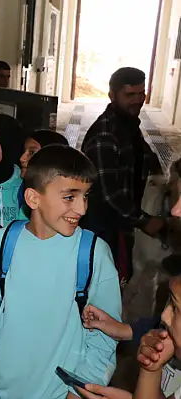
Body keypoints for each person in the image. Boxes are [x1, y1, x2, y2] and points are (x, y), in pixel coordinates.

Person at [0, 145, 122, 399]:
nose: (81, 209)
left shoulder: (93, 253)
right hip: (0, 393)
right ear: (33, 198)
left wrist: (78, 392)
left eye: (86, 196)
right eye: (70, 197)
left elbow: (105, 337)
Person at [81, 67, 165, 286]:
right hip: (105, 229)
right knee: (107, 284)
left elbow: (144, 156)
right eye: (130, 95)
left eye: (141, 94)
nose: (138, 100)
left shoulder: (127, 126)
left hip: (122, 226)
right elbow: (110, 195)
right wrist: (145, 221)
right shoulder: (105, 135)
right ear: (112, 95)